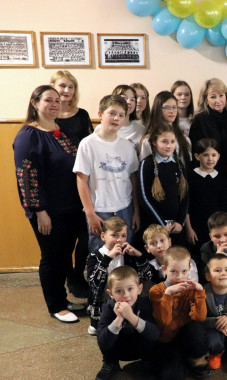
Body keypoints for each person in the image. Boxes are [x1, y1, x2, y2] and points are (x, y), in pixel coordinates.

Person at [13, 85, 86, 323]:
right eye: (48, 100)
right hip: (48, 211)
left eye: (57, 100)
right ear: (35, 103)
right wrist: (39, 211)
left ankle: (63, 299)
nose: (55, 104)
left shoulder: (61, 130)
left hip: (71, 207)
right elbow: (26, 177)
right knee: (52, 257)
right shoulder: (28, 136)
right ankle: (55, 306)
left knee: (64, 256)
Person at [74, 95, 140, 253]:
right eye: (112, 113)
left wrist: (136, 212)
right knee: (101, 256)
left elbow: (133, 180)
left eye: (121, 115)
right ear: (100, 114)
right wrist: (90, 214)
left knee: (124, 256)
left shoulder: (127, 146)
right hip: (100, 211)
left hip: (125, 209)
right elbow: (82, 181)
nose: (116, 118)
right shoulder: (88, 144)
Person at [49, 70, 92, 298]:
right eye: (62, 86)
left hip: (83, 182)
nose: (66, 90)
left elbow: (92, 144)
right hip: (60, 186)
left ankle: (78, 273)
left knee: (85, 235)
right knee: (64, 239)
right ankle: (69, 277)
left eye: (70, 86)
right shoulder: (48, 116)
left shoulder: (82, 115)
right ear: (53, 88)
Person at [149, 246, 209, 380]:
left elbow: (200, 318)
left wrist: (200, 292)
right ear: (164, 269)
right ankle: (180, 361)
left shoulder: (192, 289)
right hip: (167, 340)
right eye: (173, 271)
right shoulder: (156, 291)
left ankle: (196, 360)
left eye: (184, 271)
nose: (179, 277)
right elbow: (166, 322)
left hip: (186, 335)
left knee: (196, 330)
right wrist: (168, 294)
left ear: (189, 269)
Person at [86, 217, 154, 335]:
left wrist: (139, 256)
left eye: (123, 236)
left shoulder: (128, 255)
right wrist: (107, 259)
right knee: (102, 330)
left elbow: (148, 276)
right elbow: (94, 284)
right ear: (103, 236)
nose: (119, 240)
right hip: (104, 302)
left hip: (127, 298)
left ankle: (128, 319)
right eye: (114, 235)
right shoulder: (94, 256)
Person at [95, 265, 159, 380]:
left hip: (141, 349)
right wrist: (119, 319)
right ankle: (111, 363)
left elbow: (155, 335)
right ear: (111, 293)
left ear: (139, 289)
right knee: (105, 332)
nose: (126, 295)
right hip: (119, 350)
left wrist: (131, 317)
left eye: (130, 289)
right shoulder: (108, 307)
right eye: (119, 291)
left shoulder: (145, 304)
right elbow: (102, 342)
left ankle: (148, 362)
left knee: (148, 330)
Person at [138, 123, 189, 247]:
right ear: (154, 142)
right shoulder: (147, 164)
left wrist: (180, 222)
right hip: (155, 226)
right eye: (164, 142)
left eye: (172, 142)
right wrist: (161, 224)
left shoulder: (179, 164)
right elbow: (144, 198)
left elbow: (185, 195)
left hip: (176, 227)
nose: (169, 145)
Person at [185, 138, 227, 260]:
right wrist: (189, 229)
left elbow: (225, 207)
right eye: (205, 155)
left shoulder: (221, 178)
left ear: (218, 156)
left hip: (215, 228)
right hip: (196, 227)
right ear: (197, 156)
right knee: (198, 257)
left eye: (213, 155)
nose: (210, 159)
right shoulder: (190, 176)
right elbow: (186, 205)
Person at [189, 78, 227, 175]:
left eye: (221, 95)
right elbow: (195, 152)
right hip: (207, 174)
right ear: (206, 99)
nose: (218, 100)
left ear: (226, 96)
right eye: (213, 97)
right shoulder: (199, 120)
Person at [138, 91, 192, 167]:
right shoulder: (148, 140)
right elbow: (144, 167)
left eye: (174, 107)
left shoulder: (185, 139)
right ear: (158, 109)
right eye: (167, 107)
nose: (171, 111)